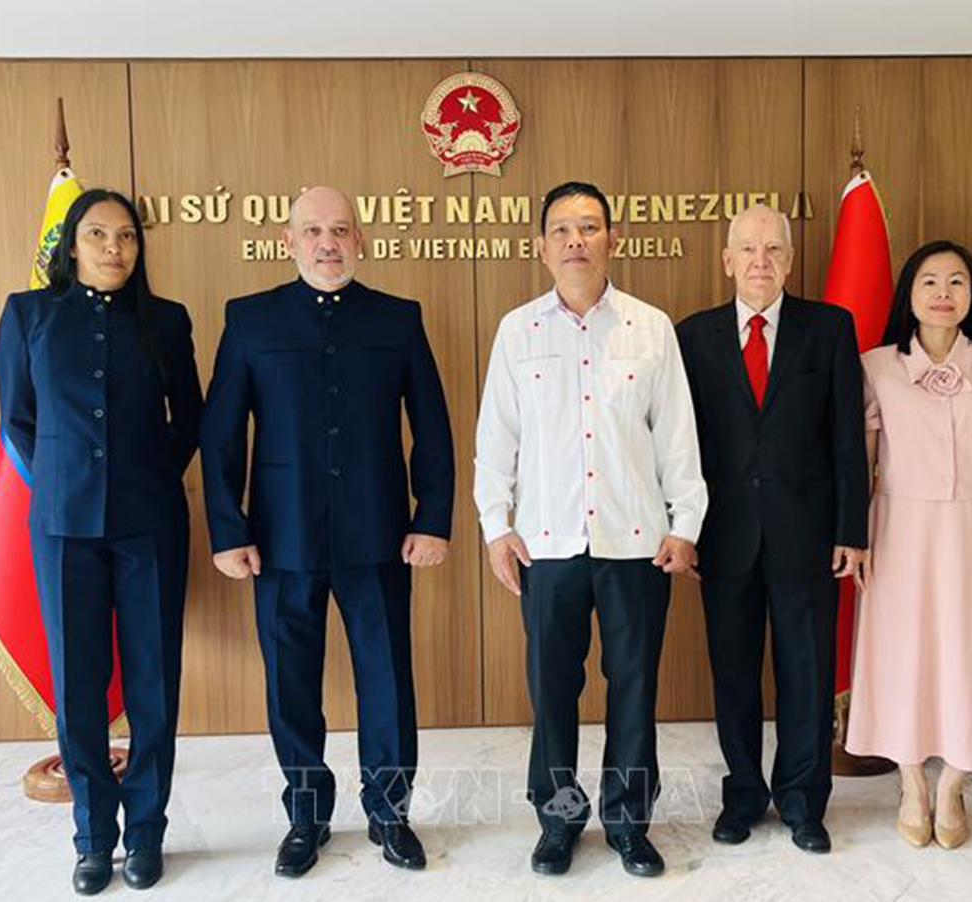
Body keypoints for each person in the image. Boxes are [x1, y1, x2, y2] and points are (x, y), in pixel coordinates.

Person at [199, 186, 454, 876]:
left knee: (387, 681)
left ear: (360, 239)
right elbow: (221, 433)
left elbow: (431, 425)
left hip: (379, 534)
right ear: (289, 241)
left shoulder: (398, 318)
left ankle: (390, 812)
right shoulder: (249, 319)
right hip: (280, 540)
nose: (327, 242)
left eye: (340, 229)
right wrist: (228, 529)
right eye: (312, 230)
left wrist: (432, 517)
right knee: (291, 686)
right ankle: (306, 815)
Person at [475, 181, 707, 878]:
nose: (576, 240)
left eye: (589, 227)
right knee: (551, 691)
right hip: (546, 544)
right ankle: (558, 820)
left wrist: (686, 523)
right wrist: (495, 525)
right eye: (562, 229)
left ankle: (629, 822)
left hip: (636, 542)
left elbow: (677, 436)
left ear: (613, 240)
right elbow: (497, 438)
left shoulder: (651, 327)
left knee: (633, 687)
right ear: (541, 247)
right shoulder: (518, 331)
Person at [0, 189, 202, 894]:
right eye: (98, 235)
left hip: (149, 523)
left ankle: (145, 832)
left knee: (153, 682)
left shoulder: (166, 320)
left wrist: (146, 474)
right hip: (63, 525)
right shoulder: (29, 315)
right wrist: (70, 478)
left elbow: (190, 417)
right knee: (78, 685)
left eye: (127, 236)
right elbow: (18, 419)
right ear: (71, 244)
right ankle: (91, 838)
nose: (114, 248)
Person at [675, 203, 868, 855]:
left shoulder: (829, 328)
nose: (761, 261)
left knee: (806, 673)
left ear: (790, 258)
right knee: (732, 674)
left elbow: (847, 438)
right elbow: (680, 444)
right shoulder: (693, 336)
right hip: (723, 536)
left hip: (807, 535)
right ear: (727, 260)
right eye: (748, 249)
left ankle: (803, 802)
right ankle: (743, 796)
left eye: (774, 249)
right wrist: (683, 529)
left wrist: (851, 529)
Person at [846, 240, 972, 849]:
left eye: (957, 281)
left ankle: (954, 783)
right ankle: (912, 784)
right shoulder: (876, 365)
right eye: (929, 281)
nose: (943, 293)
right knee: (902, 653)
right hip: (898, 528)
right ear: (908, 293)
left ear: (971, 296)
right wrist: (856, 537)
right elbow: (862, 462)